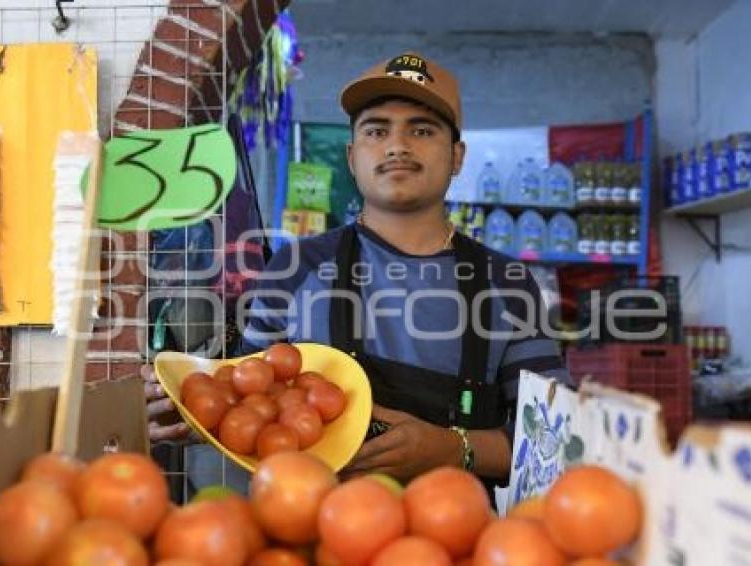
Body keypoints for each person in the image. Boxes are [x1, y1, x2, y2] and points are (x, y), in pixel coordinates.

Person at [147, 52, 569, 494]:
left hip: (452, 540)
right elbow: (249, 410)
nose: (397, 145)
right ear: (352, 156)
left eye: (422, 130)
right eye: (376, 130)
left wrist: (452, 448)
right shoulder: (294, 269)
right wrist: (193, 410)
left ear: (457, 156)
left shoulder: (508, 285)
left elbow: (552, 442)